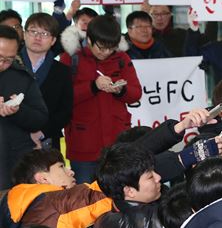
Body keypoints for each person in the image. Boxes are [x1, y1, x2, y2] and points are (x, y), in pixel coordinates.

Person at [60, 15, 142, 184]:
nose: (106, 52)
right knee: (86, 197)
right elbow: (63, 97)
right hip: (83, 144)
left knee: (118, 194)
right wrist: (92, 87)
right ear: (89, 38)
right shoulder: (71, 58)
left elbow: (136, 93)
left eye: (111, 48)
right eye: (101, 47)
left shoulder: (121, 59)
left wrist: (120, 90)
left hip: (117, 142)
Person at [0, 25, 49, 190]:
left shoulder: (21, 77)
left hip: (11, 164)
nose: (2, 64)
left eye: (9, 59)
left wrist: (18, 111)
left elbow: (40, 118)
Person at [20, 13, 73, 150]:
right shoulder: (8, 65)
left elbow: (65, 110)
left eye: (44, 34)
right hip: (9, 139)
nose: (38, 37)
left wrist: (41, 133)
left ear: (53, 40)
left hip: (47, 139)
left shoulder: (62, 71)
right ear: (25, 34)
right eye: (33, 32)